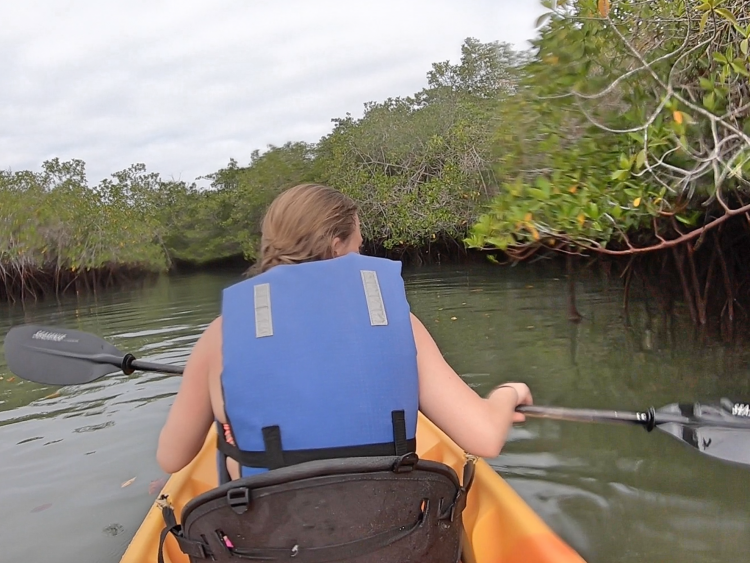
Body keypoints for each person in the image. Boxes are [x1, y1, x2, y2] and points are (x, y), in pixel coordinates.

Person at [156, 183, 533, 480]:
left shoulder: (220, 336)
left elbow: (172, 458)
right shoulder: (396, 323)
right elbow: (484, 436)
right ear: (337, 248)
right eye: (359, 245)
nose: (362, 253)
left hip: (272, 544)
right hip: (389, 538)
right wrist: (508, 393)